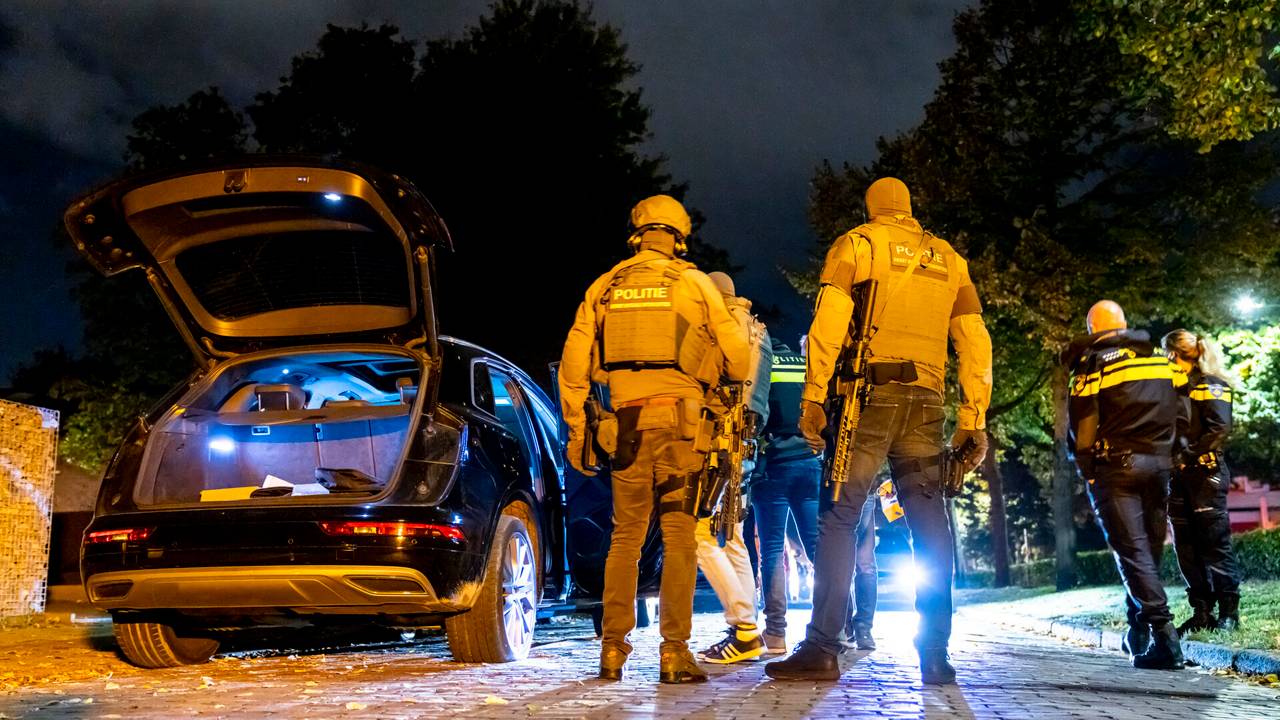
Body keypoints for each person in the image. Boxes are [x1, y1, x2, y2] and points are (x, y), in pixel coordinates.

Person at [765, 177, 993, 685]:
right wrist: (973, 416)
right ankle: (935, 655)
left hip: (868, 402)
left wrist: (812, 398)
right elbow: (976, 342)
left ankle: (823, 647)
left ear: (871, 207)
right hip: (927, 404)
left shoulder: (856, 245)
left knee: (840, 518)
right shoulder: (950, 260)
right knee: (931, 526)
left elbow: (827, 324)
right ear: (909, 208)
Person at [558, 195, 751, 684]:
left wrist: (578, 430)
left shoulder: (605, 286)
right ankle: (673, 653)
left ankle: (613, 650)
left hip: (625, 426)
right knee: (680, 537)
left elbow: (574, 364)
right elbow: (739, 360)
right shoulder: (694, 283)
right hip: (683, 428)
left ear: (637, 232)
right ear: (679, 236)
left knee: (625, 537)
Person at [1062, 300, 1185, 670]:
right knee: (1147, 552)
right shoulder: (1161, 362)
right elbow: (1183, 413)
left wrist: (1088, 469)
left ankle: (1165, 637)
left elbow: (1081, 427)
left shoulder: (1091, 365)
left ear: (1091, 329)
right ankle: (1139, 629)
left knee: (1133, 554)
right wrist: (1173, 455)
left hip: (1115, 470)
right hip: (1160, 467)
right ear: (1125, 325)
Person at [694, 271, 772, 664]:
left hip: (718, 443)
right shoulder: (760, 331)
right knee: (735, 536)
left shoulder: (719, 326)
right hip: (747, 446)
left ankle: (743, 628)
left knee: (700, 536)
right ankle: (747, 629)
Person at [1162, 330, 1242, 634]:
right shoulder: (1173, 389)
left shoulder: (1210, 385)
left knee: (1215, 545)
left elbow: (1220, 428)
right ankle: (1202, 612)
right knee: (1186, 548)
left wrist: (1185, 455)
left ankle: (1229, 613)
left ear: (1173, 354)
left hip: (1205, 475)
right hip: (1178, 477)